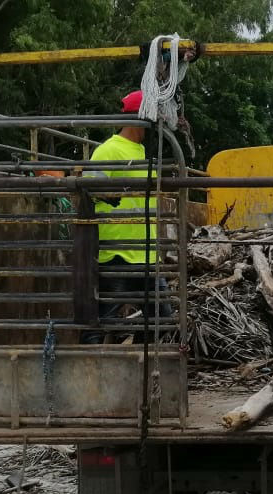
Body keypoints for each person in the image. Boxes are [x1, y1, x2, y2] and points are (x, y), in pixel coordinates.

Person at [81, 90, 171, 344]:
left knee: (162, 318)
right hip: (117, 253)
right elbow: (89, 190)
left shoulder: (144, 152)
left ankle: (137, 369)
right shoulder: (108, 151)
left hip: (145, 253)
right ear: (137, 118)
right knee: (103, 321)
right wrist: (107, 193)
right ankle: (90, 373)